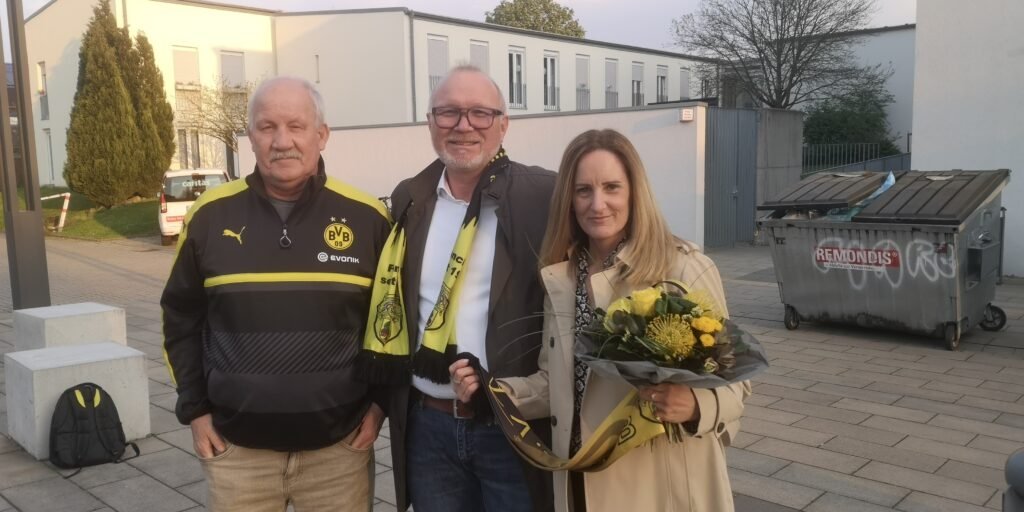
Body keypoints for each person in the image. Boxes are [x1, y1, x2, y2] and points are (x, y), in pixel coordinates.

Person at [451, 129, 751, 511]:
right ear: (568, 199)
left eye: (612, 187)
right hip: (580, 477)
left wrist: (693, 404)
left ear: (634, 192)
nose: (598, 204)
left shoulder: (681, 268)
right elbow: (556, 384)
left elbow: (736, 384)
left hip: (659, 486)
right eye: (583, 190)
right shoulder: (562, 277)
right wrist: (492, 392)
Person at [161, 76, 391, 512]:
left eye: (296, 126)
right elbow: (180, 319)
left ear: (322, 135)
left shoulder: (369, 218)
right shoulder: (208, 217)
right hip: (237, 454)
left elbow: (390, 325)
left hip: (339, 456)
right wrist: (195, 410)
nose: (282, 141)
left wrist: (381, 406)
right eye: (267, 127)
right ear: (250, 137)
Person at [377, 65, 556, 512]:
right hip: (428, 428)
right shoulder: (409, 197)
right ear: (430, 122)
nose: (463, 126)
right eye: (449, 113)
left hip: (510, 426)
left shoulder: (542, 196)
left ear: (503, 123)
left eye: (480, 113)